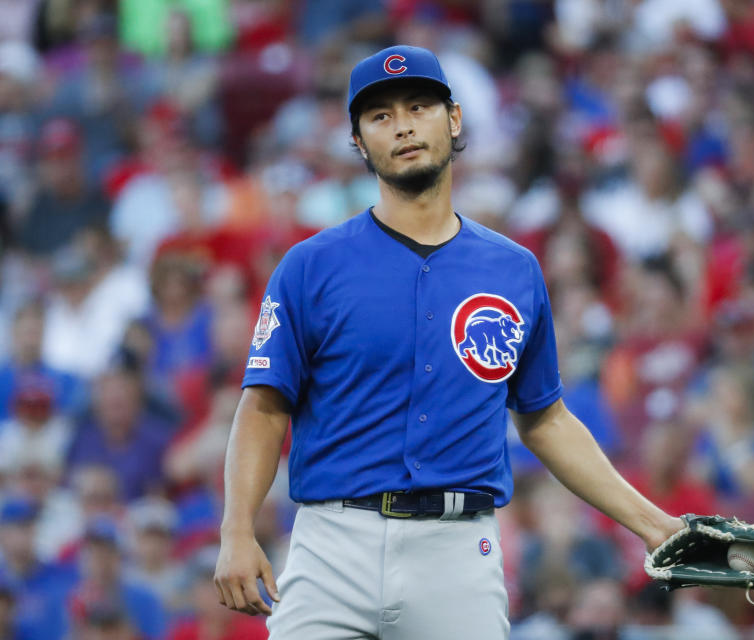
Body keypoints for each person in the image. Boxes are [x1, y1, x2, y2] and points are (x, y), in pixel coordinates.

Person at [214, 45, 683, 639]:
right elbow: (263, 405)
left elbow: (545, 419)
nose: (403, 124)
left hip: (458, 553)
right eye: (380, 116)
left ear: (454, 119)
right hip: (332, 544)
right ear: (358, 142)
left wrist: (652, 523)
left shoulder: (514, 270)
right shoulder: (310, 266)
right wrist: (236, 529)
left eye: (419, 106)